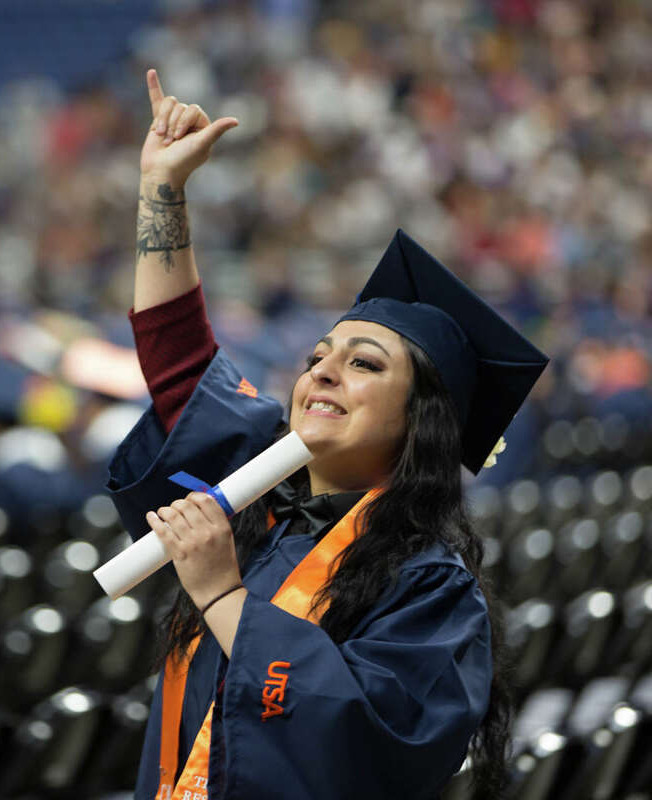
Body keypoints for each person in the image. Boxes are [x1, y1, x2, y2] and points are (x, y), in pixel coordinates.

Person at [107, 71, 548, 799]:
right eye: (317, 357)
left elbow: (363, 744)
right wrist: (162, 190)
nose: (324, 372)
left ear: (420, 419)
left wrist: (224, 599)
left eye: (364, 363)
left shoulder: (433, 589)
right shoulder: (254, 502)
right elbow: (179, 357)